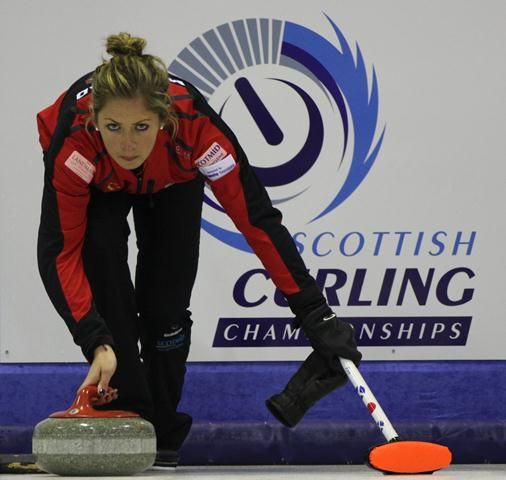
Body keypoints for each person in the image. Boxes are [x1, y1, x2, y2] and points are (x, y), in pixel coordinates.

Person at [36, 33, 361, 464]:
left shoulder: (197, 131)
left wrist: (315, 312)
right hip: (99, 180)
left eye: (141, 126)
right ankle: (128, 409)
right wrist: (94, 339)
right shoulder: (75, 139)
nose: (128, 144)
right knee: (103, 277)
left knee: (166, 308)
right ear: (95, 120)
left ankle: (163, 425)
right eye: (113, 126)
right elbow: (59, 252)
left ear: (164, 118)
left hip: (174, 176)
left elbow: (257, 222)